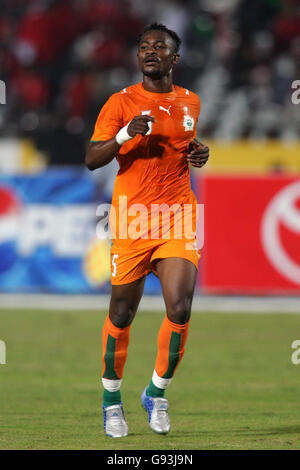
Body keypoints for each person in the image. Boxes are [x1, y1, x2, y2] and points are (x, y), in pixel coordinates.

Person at [85, 22, 209, 438]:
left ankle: (156, 392)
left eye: (160, 46)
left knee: (180, 307)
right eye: (143, 46)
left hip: (179, 213)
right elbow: (91, 159)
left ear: (175, 58)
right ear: (138, 57)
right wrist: (124, 134)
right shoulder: (120, 103)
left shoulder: (191, 101)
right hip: (132, 218)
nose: (150, 51)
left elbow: (183, 147)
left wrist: (198, 152)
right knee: (122, 313)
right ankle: (111, 401)